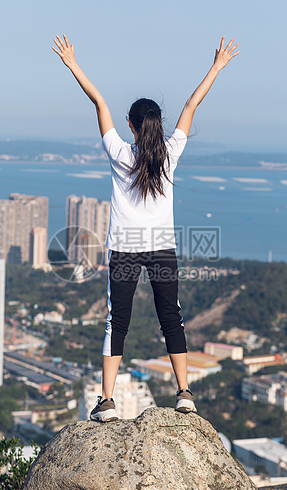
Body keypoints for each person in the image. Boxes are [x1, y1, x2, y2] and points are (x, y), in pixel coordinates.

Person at [52, 34, 239, 422]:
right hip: (162, 247)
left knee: (115, 320)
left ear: (132, 127)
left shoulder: (120, 153)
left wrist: (72, 64)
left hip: (124, 245)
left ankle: (107, 402)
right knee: (171, 316)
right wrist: (217, 67)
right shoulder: (170, 153)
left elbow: (99, 101)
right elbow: (191, 104)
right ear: (156, 125)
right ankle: (184, 393)